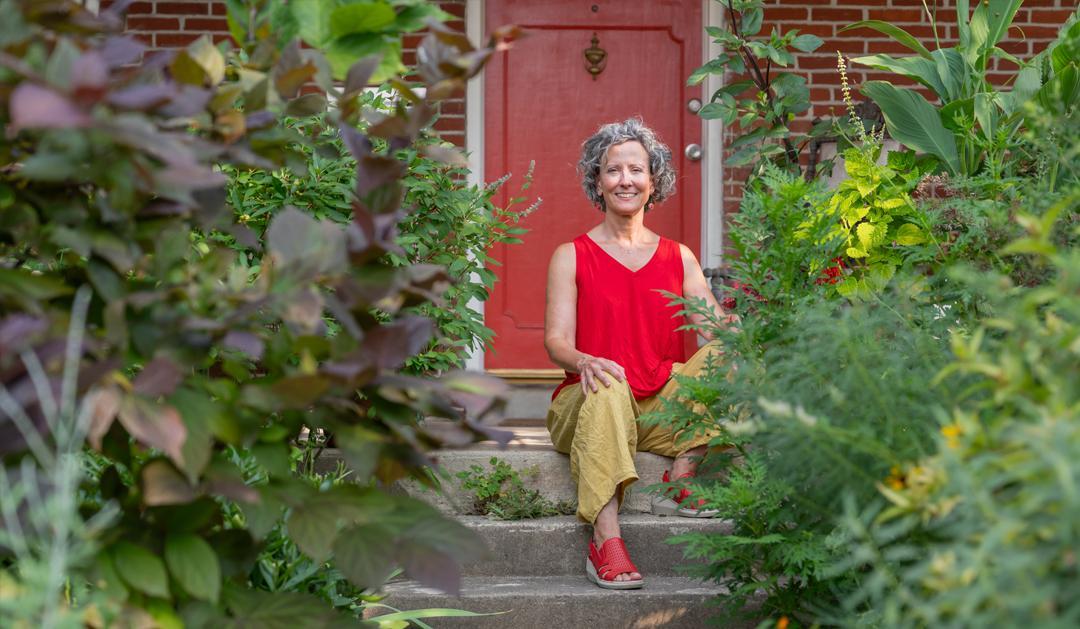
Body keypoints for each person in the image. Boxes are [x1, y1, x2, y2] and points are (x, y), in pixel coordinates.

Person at [544, 118, 737, 590]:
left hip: (657, 407)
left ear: (654, 182)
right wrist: (585, 360)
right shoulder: (572, 254)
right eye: (613, 170)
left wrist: (748, 327)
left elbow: (713, 331)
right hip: (590, 400)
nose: (625, 179)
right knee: (608, 383)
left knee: (735, 353)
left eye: (637, 170)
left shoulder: (679, 256)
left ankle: (683, 473)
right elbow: (556, 342)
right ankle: (605, 538)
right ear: (598, 182)